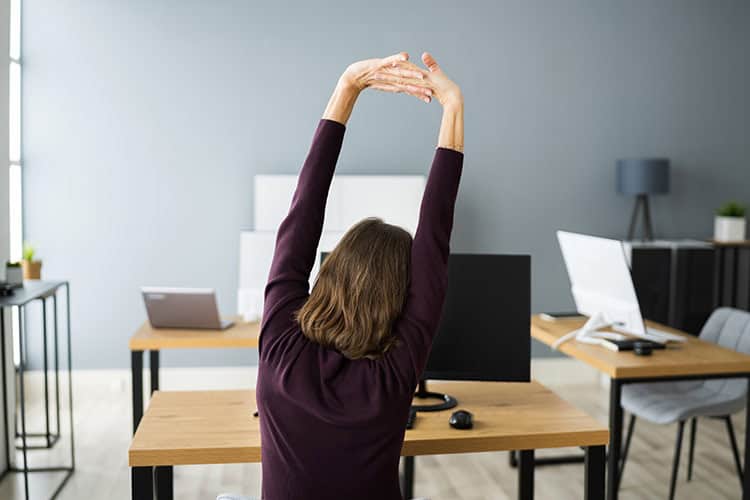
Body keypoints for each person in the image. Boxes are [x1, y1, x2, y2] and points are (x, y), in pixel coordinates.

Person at [256, 51, 463, 500]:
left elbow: (301, 215)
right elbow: (434, 243)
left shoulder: (279, 346)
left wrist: (347, 88)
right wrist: (453, 108)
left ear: (331, 270)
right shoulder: (392, 376)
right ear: (401, 298)